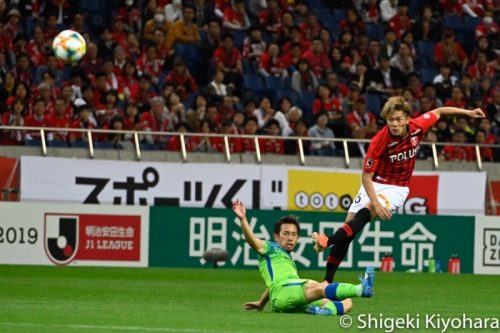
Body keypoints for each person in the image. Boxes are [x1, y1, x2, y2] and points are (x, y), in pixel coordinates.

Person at [311, 96, 486, 283]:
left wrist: (468, 113)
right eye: (391, 120)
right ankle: (327, 283)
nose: (394, 124)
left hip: (397, 188)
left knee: (365, 212)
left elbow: (440, 111)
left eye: (398, 119)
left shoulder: (418, 126)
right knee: (347, 233)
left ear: (407, 119)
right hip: (373, 183)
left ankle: (328, 241)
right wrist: (377, 203)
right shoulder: (379, 140)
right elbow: (366, 177)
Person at [232, 200, 375, 315]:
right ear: (276, 237)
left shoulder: (286, 260)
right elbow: (252, 241)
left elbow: (273, 285)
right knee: (318, 286)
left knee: (346, 301)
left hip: (287, 296)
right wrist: (243, 219)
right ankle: (361, 289)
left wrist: (261, 303)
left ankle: (325, 311)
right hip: (284, 292)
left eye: (294, 235)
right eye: (286, 234)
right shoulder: (270, 248)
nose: (290, 238)